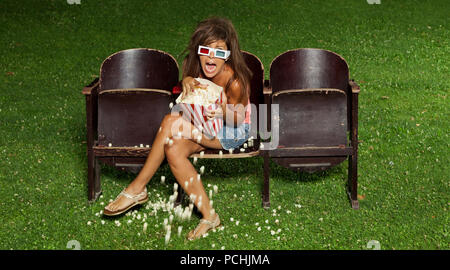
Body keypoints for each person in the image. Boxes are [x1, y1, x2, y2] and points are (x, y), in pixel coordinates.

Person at [103, 17, 252, 240]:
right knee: (172, 148)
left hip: (230, 131)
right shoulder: (192, 66)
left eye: (219, 52)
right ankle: (210, 216)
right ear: (198, 51)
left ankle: (137, 189)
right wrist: (187, 80)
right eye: (206, 50)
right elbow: (190, 83)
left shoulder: (234, 81)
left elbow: (239, 120)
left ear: (228, 55)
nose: (211, 57)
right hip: (203, 122)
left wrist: (222, 111)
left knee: (169, 122)